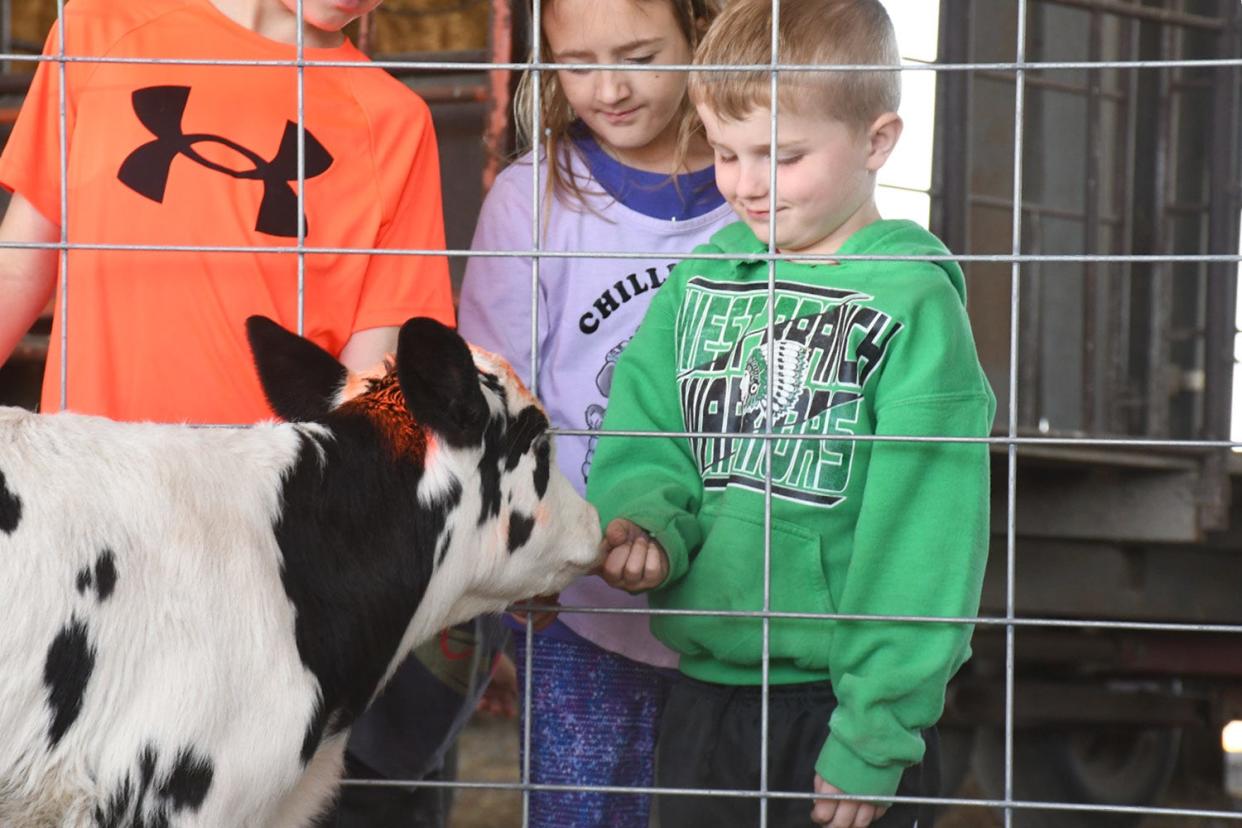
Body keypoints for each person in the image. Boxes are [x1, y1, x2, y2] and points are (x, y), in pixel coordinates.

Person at [0, 1, 468, 825]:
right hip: (81, 545)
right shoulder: (101, 29)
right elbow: (20, 263)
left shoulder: (393, 122)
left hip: (250, 576)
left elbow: (369, 407)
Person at [585, 1, 997, 826]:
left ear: (877, 141)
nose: (745, 184)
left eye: (783, 155)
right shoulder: (701, 282)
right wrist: (644, 523)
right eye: (726, 153)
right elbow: (648, 432)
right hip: (702, 697)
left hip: (837, 712)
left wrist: (874, 734)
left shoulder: (913, 304)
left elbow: (925, 545)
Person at [456, 0, 735, 824]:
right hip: (581, 612)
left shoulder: (760, 190)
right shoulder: (529, 202)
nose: (608, 88)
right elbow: (492, 400)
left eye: (642, 55)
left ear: (700, 32)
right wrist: (519, 557)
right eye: (577, 64)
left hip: (740, 601)